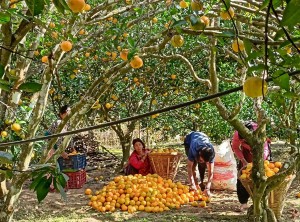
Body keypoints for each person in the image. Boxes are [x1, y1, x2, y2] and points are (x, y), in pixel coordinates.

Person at [231, 121, 271, 211]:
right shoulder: (237, 134)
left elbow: (265, 149)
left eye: (246, 140)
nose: (245, 141)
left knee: (264, 175)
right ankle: (243, 202)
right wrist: (243, 160)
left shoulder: (259, 132)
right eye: (243, 141)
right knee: (243, 176)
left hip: (260, 151)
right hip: (246, 153)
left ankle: (263, 203)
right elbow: (236, 147)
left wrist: (260, 162)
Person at [183, 131, 215, 197]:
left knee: (202, 165)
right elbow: (189, 167)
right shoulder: (193, 147)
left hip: (202, 137)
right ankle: (196, 185)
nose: (203, 161)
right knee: (193, 166)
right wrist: (193, 184)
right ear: (200, 154)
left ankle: (202, 184)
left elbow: (211, 171)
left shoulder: (211, 152)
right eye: (201, 159)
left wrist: (208, 188)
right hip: (189, 141)